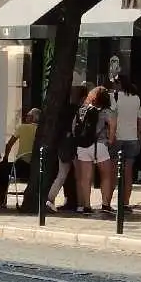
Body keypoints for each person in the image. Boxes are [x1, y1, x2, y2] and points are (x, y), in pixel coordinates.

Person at [73, 84, 114, 215]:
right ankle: (105, 205)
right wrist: (110, 139)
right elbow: (112, 125)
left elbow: (74, 126)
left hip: (83, 146)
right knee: (106, 176)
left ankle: (86, 206)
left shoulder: (83, 109)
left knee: (86, 178)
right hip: (100, 145)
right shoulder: (107, 111)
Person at [45, 83, 86, 212]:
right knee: (79, 176)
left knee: (62, 174)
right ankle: (81, 204)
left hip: (62, 144)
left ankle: (50, 199)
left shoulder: (62, 110)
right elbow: (76, 130)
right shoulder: (78, 111)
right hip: (73, 145)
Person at [108, 75, 141, 209]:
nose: (112, 86)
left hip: (116, 137)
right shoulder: (138, 98)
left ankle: (108, 202)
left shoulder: (114, 97)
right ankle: (125, 202)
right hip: (132, 139)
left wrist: (111, 136)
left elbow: (111, 118)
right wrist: (139, 139)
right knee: (127, 173)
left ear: (119, 84)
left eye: (113, 83)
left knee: (112, 172)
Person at [0, 107, 38, 209]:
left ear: (32, 118)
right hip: (36, 167)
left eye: (28, 116)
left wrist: (5, 158)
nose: (26, 118)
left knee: (2, 168)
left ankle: (2, 200)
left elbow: (9, 144)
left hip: (22, 166)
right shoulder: (41, 130)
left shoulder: (22, 127)